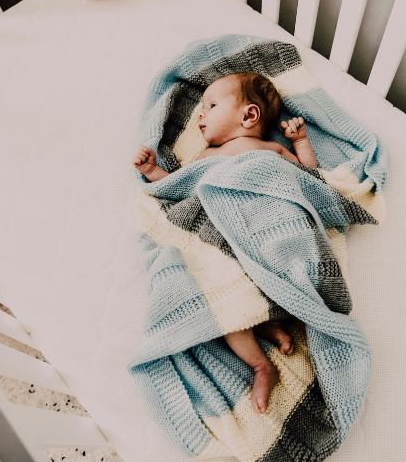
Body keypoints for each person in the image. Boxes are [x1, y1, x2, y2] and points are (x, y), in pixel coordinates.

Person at [133, 72, 318, 414]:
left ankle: (270, 321)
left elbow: (311, 179)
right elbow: (177, 187)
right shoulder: (204, 159)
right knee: (226, 301)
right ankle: (261, 364)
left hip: (267, 231)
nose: (200, 115)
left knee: (259, 284)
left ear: (248, 116)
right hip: (226, 240)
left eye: (211, 106)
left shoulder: (272, 149)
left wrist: (301, 142)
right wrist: (152, 172)